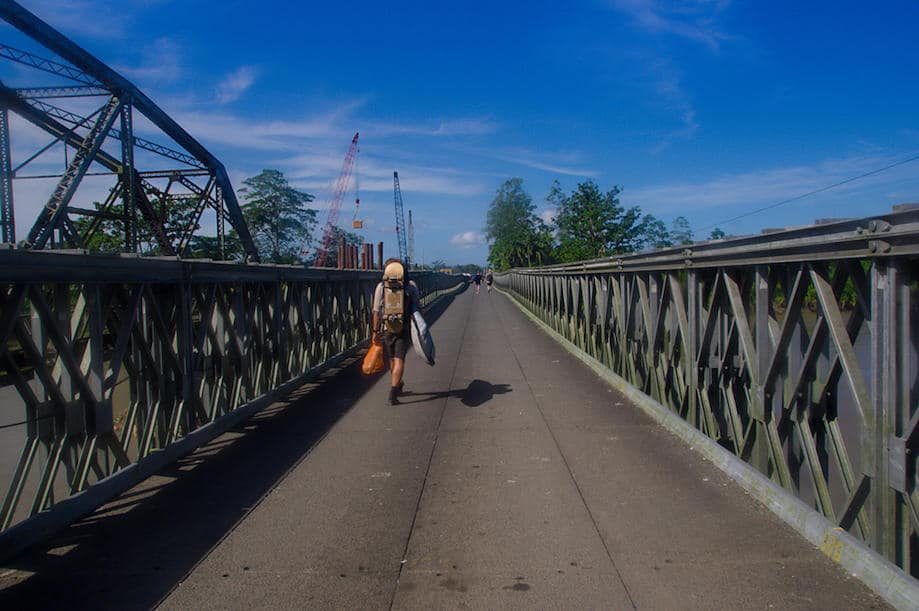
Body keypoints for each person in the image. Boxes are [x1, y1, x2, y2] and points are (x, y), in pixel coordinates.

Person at [372, 258, 420, 405]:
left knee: (392, 359)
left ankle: (396, 384)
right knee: (400, 359)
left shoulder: (381, 286)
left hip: (387, 328)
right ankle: (394, 390)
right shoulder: (410, 286)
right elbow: (417, 308)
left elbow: (376, 312)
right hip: (403, 327)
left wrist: (375, 331)